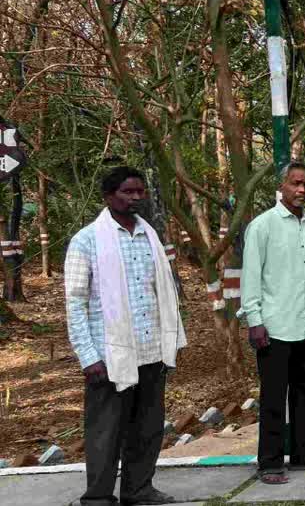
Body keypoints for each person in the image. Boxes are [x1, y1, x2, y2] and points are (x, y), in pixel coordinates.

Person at [65, 166, 187, 506]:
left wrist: (171, 342)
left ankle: (138, 490)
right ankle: (99, 497)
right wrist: (88, 356)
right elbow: (74, 303)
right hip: (109, 356)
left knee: (148, 429)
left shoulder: (150, 236)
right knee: (106, 431)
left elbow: (162, 293)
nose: (135, 198)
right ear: (108, 196)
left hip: (151, 351)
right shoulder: (87, 240)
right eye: (127, 192)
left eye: (140, 192)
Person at [241, 162, 305, 484]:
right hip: (275, 326)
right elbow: (251, 276)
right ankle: (269, 462)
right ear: (282, 185)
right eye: (296, 183)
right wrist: (254, 320)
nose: (302, 190)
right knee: (273, 397)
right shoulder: (262, 226)